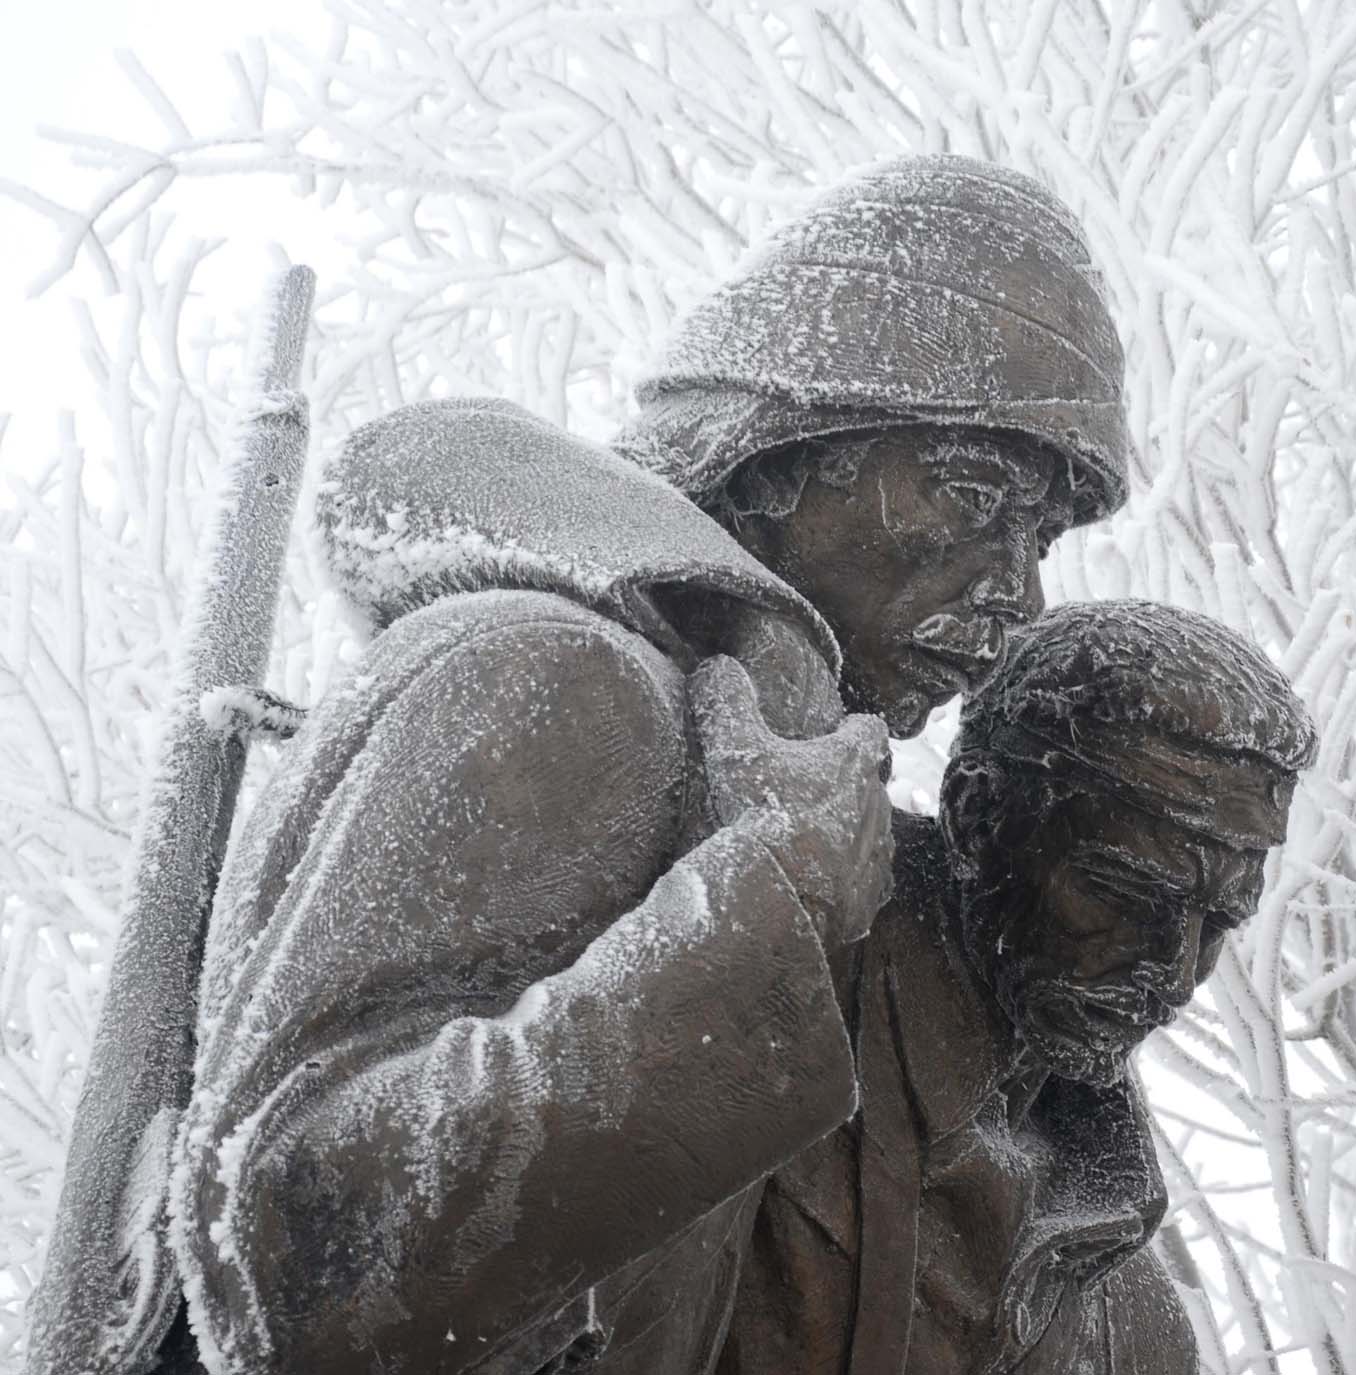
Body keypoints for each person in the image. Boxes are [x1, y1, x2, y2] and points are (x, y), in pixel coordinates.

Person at [134, 155, 1133, 1375]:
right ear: (777, 451)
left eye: (1040, 536)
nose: (1017, 593)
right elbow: (299, 1256)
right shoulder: (554, 676)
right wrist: (766, 907)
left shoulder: (739, 768)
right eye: (976, 492)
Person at [719, 600, 1317, 1374]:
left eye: (1217, 925)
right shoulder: (760, 994)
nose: (1173, 978)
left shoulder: (1131, 1327)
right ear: (975, 814)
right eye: (1127, 895)